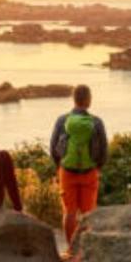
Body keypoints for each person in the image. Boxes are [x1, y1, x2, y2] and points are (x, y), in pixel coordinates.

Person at [49, 84, 108, 247]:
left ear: (74, 99)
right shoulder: (96, 122)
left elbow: (53, 147)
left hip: (67, 172)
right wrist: (97, 167)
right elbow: (104, 150)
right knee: (88, 214)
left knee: (69, 212)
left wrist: (59, 167)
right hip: (89, 172)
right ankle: (86, 248)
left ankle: (70, 248)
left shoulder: (62, 120)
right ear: (88, 100)